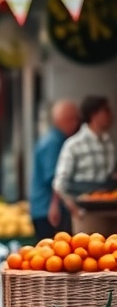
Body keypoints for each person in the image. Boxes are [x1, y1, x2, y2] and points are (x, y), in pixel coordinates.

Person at [53, 95, 116, 233]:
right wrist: (73, 208)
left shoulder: (108, 143)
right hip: (85, 213)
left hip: (110, 211)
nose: (111, 115)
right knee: (89, 251)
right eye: (106, 111)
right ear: (94, 115)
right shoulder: (74, 144)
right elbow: (60, 182)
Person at [29, 99, 81, 240]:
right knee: (53, 255)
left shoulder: (56, 140)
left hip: (46, 209)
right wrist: (57, 204)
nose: (76, 124)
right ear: (63, 120)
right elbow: (54, 178)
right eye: (73, 119)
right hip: (48, 211)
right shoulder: (53, 143)